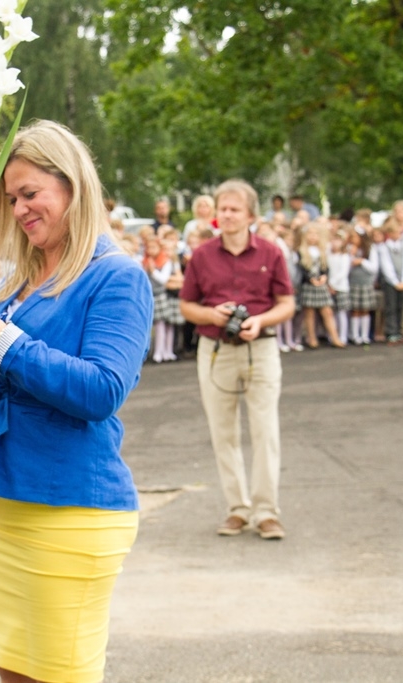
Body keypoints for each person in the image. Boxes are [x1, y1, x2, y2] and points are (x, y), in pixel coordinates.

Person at [0, 120, 154, 683]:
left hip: (72, 509)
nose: (20, 209)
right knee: (15, 673)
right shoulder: (21, 286)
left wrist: (0, 340)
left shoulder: (116, 278)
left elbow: (101, 390)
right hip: (11, 504)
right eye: (11, 199)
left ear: (72, 185)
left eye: (30, 194)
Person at [179, 179, 295, 540]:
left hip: (260, 347)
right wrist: (212, 315)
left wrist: (260, 320)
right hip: (215, 351)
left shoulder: (271, 252)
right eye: (222, 209)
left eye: (234, 209)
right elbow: (186, 306)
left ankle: (266, 511)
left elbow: (287, 303)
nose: (227, 215)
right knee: (222, 432)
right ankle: (237, 508)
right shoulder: (201, 256)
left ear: (250, 215)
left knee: (265, 430)